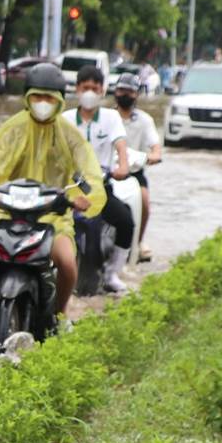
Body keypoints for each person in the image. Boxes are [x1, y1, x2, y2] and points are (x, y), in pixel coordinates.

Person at [0, 62, 106, 319]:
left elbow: (89, 172)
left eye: (49, 97)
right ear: (28, 98)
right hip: (7, 213)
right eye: (37, 96)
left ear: (59, 101)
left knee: (66, 263)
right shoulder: (12, 128)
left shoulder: (70, 134)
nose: (43, 102)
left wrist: (85, 197)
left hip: (52, 215)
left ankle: (60, 314)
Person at [63, 66, 133, 293]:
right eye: (85, 88)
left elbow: (120, 145)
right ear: (77, 89)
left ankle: (112, 273)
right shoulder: (64, 120)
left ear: (102, 90)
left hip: (100, 187)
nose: (90, 92)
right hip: (71, 189)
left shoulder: (111, 118)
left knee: (125, 220)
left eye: (95, 88)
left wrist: (122, 166)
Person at [114, 73, 162, 261]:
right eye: (121, 90)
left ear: (137, 94)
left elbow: (156, 147)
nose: (125, 95)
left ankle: (139, 242)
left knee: (144, 201)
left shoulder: (144, 120)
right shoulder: (107, 118)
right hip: (108, 172)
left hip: (134, 174)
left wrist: (154, 156)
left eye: (130, 91)